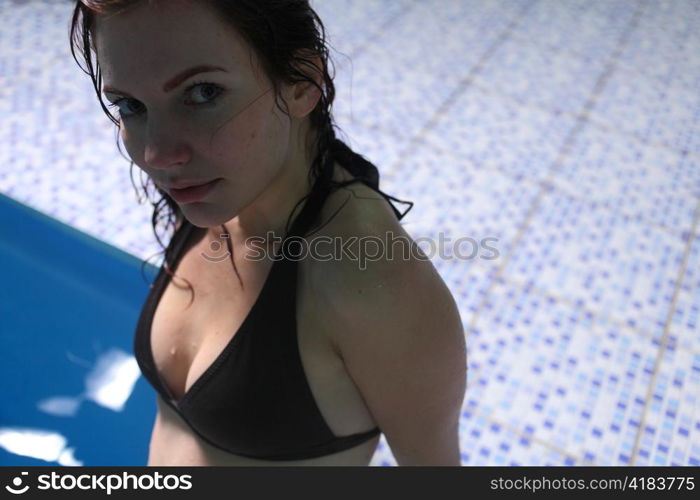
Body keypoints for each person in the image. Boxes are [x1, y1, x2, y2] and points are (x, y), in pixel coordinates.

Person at [69, 0, 467, 466]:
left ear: (302, 82)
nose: (157, 153)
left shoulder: (372, 283)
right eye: (129, 105)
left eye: (202, 94)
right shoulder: (218, 190)